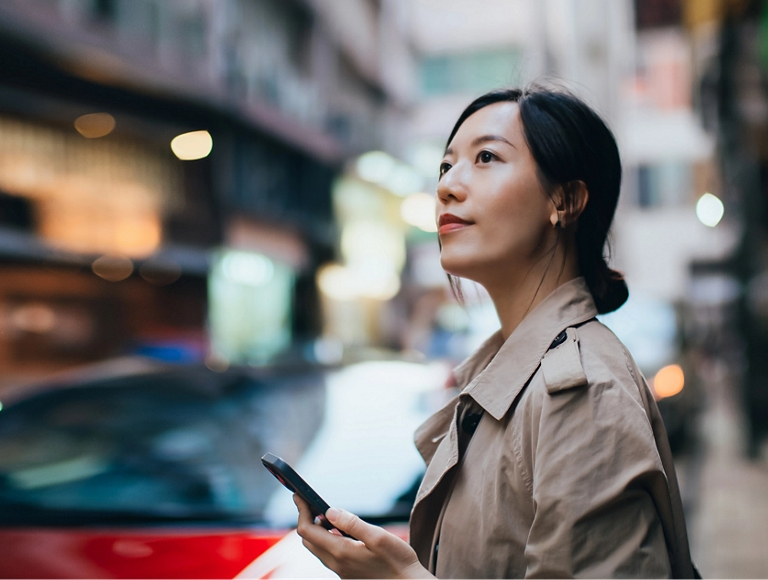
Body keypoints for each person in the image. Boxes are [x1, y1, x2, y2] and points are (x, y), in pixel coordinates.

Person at [294, 86, 695, 579]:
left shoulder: (582, 394)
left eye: (486, 157)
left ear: (564, 200)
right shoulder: (501, 376)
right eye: (445, 166)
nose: (446, 186)